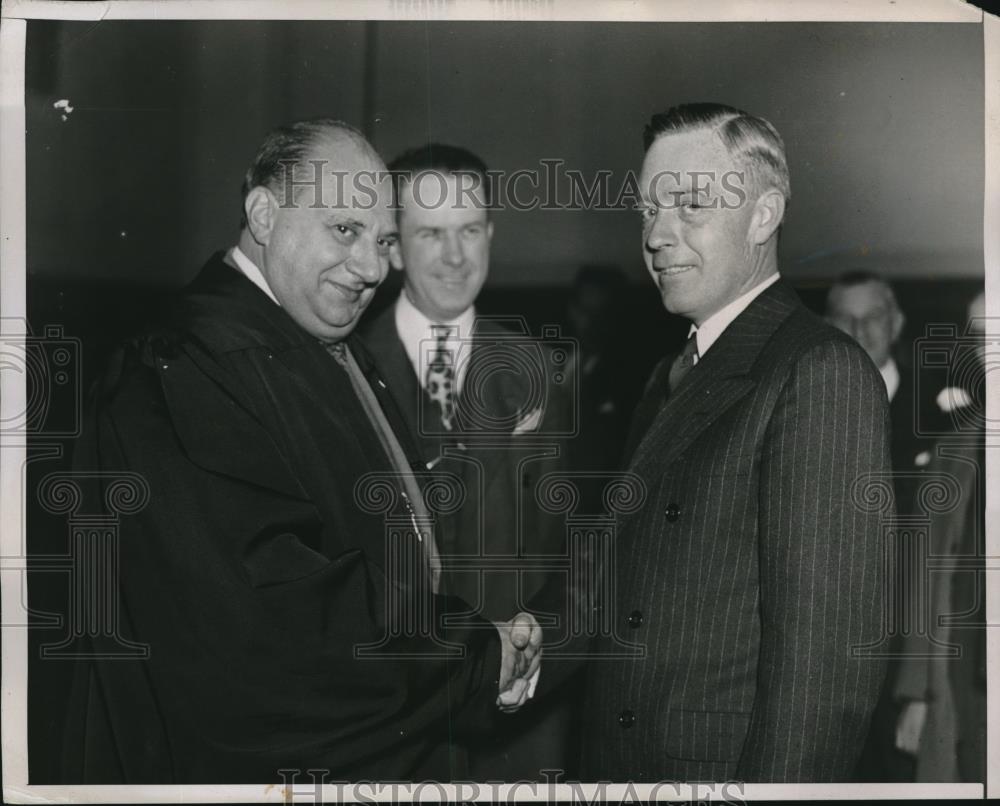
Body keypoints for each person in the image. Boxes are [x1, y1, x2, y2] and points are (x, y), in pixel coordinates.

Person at [57, 119, 541, 784]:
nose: (372, 268)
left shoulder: (317, 346)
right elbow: (273, 616)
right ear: (263, 214)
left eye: (384, 241)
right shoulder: (188, 363)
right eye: (344, 230)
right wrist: (471, 654)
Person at [572, 103, 893, 782]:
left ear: (763, 214)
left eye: (689, 204)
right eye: (647, 210)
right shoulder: (672, 372)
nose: (658, 235)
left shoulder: (817, 370)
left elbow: (823, 676)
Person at [358, 144, 573, 780]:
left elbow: (557, 549)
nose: (456, 257)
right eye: (431, 234)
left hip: (517, 723)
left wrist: (537, 647)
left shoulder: (540, 370)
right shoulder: (346, 368)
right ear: (393, 246)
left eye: (470, 231)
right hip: (389, 723)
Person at [825, 270, 939, 781]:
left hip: (907, 642)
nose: (860, 331)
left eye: (872, 317)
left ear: (896, 322)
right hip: (827, 649)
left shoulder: (941, 413)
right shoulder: (810, 409)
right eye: (846, 319)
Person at [891, 289, 986, 782]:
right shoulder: (953, 446)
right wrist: (914, 695)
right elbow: (926, 578)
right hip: (957, 683)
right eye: (979, 335)